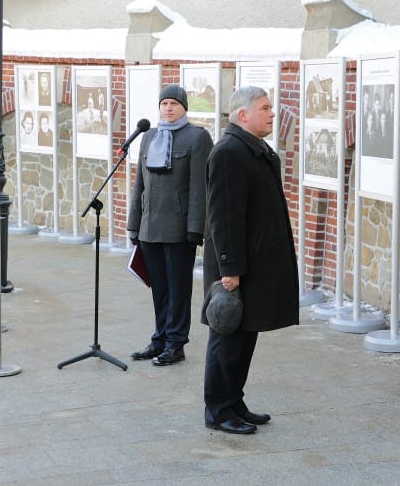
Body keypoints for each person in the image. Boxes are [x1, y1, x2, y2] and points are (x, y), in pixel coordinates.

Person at [201, 86, 299, 434]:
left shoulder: (252, 149)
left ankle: (234, 401)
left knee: (245, 337)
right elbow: (223, 216)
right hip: (236, 268)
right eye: (265, 108)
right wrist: (229, 269)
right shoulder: (229, 152)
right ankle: (218, 410)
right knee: (227, 337)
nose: (273, 114)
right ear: (243, 115)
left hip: (253, 265)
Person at [127, 84, 213, 367]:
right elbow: (140, 183)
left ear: (184, 107)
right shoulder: (149, 136)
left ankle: (176, 344)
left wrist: (195, 228)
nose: (168, 108)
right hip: (150, 228)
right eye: (164, 103)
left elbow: (201, 187)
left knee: (178, 290)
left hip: (179, 229)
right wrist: (134, 224)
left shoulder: (197, 138)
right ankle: (160, 339)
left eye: (174, 103)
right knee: (159, 289)